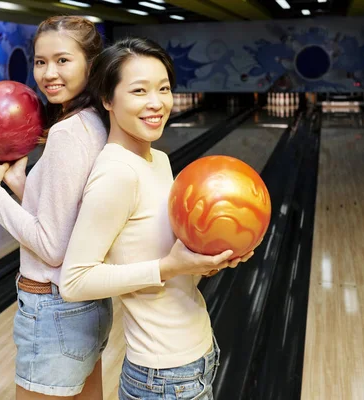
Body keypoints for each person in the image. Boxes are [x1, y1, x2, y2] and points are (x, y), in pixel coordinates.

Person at [60, 37, 256, 400]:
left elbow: (166, 262)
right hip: (163, 376)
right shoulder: (117, 173)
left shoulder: (160, 161)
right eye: (139, 91)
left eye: (164, 88)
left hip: (195, 355)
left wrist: (208, 261)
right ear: (108, 99)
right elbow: (75, 280)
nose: (157, 103)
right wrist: (168, 266)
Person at [0, 16, 112, 400]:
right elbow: (68, 211)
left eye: (63, 60)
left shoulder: (65, 134)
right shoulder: (96, 121)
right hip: (86, 306)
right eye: (40, 61)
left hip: (53, 309)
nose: (49, 73)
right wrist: (19, 184)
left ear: (91, 66)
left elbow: (51, 246)